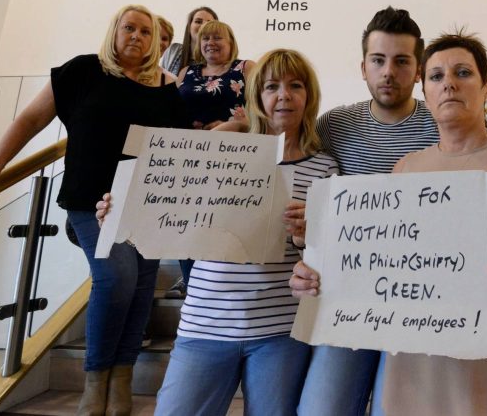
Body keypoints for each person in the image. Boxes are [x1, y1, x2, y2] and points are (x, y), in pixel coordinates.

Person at [292, 32, 487, 416]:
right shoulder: (406, 169)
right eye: (437, 76)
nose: (449, 84)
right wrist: (320, 274)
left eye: (463, 72)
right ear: (425, 89)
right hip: (419, 371)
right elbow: (381, 268)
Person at [0, 5, 188, 416]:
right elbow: (29, 120)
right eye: (129, 28)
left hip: (146, 205)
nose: (137, 37)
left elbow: (179, 147)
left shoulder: (165, 86)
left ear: (155, 42)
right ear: (114, 31)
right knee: (117, 276)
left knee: (143, 287)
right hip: (88, 200)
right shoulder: (82, 71)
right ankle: (97, 379)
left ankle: (121, 379)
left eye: (146, 32)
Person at [97, 48, 337, 416]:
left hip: (281, 331)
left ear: (310, 96)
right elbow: (165, 211)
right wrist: (117, 218)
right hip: (204, 323)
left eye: (296, 85)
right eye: (272, 86)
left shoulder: (325, 169)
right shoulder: (221, 151)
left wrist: (308, 239)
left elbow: (327, 261)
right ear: (257, 97)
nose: (284, 95)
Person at [298, 7, 439, 416]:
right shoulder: (334, 126)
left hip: (423, 301)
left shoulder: (442, 125)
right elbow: (298, 182)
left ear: (418, 70)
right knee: (320, 409)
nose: (388, 72)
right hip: (346, 299)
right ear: (363, 67)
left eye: (401, 61)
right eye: (378, 60)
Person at [167, 19, 254, 296]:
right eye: (205, 38)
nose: (210, 43)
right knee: (186, 225)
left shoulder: (246, 68)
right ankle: (192, 285)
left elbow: (263, 109)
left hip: (232, 159)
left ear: (231, 43)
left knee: (222, 223)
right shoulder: (186, 72)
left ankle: (220, 289)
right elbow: (170, 113)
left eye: (218, 38)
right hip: (188, 160)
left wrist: (234, 125)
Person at [162, 6, 218, 76]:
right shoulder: (173, 50)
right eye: (198, 21)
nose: (203, 25)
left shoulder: (220, 62)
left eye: (209, 23)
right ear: (189, 27)